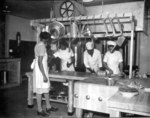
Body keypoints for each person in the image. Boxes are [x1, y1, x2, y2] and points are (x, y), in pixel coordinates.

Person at [33, 31, 58, 117]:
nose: (49, 41)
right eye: (48, 39)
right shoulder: (41, 46)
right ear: (46, 39)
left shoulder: (40, 45)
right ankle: (39, 110)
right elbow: (40, 62)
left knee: (46, 88)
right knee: (39, 91)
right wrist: (43, 75)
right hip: (40, 71)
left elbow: (42, 61)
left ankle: (48, 106)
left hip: (42, 69)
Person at [83, 41, 102, 118]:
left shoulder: (98, 52)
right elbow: (86, 64)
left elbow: (100, 63)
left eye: (91, 51)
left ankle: (93, 110)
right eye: (88, 51)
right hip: (88, 71)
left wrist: (98, 72)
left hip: (97, 70)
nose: (89, 52)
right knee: (88, 89)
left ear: (93, 49)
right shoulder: (85, 53)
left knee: (95, 90)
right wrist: (91, 71)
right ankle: (88, 110)